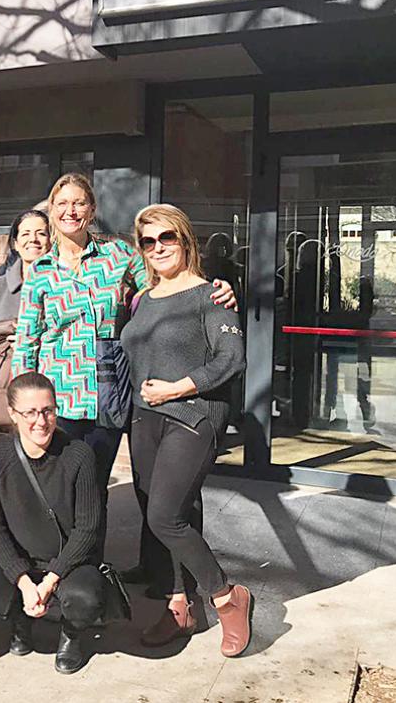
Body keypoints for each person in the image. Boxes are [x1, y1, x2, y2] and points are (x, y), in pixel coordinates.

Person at [10, 174, 236, 517]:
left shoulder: (118, 255)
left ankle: (92, 551)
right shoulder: (40, 272)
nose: (71, 211)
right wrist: (22, 404)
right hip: (57, 397)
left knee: (95, 488)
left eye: (79, 203)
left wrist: (212, 291)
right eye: (62, 203)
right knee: (60, 489)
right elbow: (27, 343)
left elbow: (166, 286)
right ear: (51, 210)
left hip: (109, 394)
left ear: (92, 210)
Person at [121, 203, 252, 657]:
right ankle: (179, 606)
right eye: (148, 241)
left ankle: (226, 596)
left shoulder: (211, 295)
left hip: (193, 414)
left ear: (185, 240)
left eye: (167, 237)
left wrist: (176, 388)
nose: (158, 247)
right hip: (145, 417)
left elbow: (231, 359)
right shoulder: (142, 298)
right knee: (171, 512)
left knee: (165, 515)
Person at [0, 371, 105, 675]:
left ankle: (71, 634)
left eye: (47, 410)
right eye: (30, 412)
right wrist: (24, 581)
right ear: (13, 414)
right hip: (22, 556)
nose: (41, 421)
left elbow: (87, 528)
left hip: (67, 559)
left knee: (85, 599)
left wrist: (51, 579)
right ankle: (21, 619)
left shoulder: (78, 455)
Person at [0, 209, 51, 425]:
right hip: (2, 393)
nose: (33, 239)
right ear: (15, 243)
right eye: (26, 234)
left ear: (51, 241)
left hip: (50, 393)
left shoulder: (63, 285)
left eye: (41, 233)